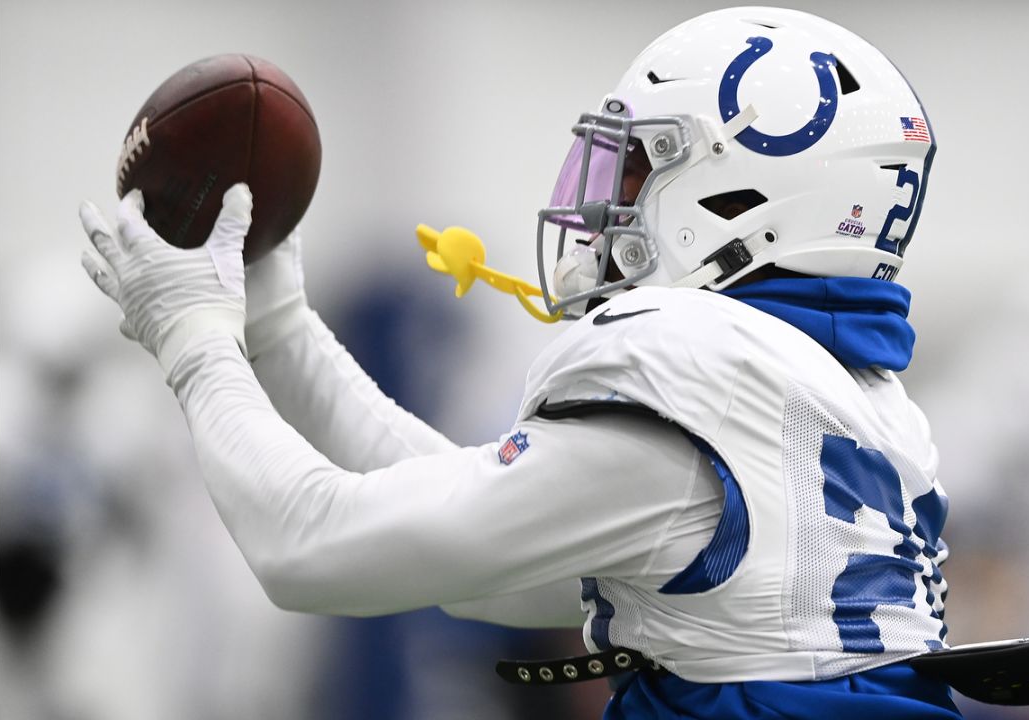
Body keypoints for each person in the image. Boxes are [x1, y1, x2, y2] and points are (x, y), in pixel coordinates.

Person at [78, 7, 957, 718]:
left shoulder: (697, 381)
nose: (600, 201)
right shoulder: (853, 401)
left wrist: (194, 340)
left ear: (740, 200)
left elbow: (312, 547)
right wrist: (277, 329)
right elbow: (480, 560)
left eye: (637, 168)